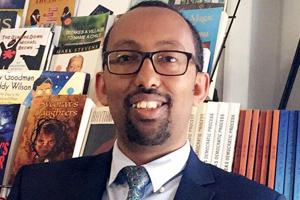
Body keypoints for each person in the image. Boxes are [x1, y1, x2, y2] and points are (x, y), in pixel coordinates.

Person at [8, 1, 285, 200]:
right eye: (126, 58)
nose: (147, 78)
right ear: (102, 87)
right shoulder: (35, 187)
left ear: (199, 88)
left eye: (168, 58)